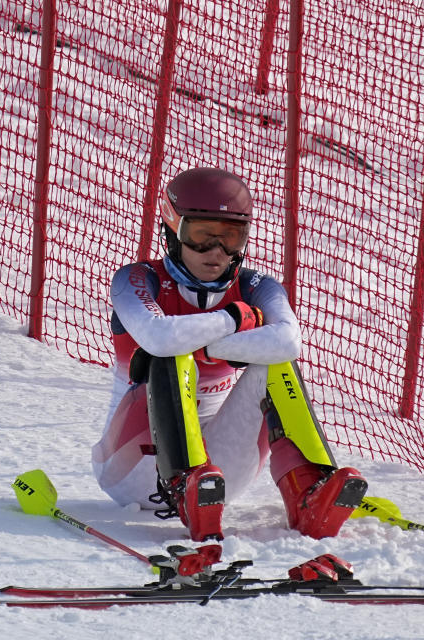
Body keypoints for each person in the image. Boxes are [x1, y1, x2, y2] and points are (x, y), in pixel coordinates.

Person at [92, 167, 367, 543]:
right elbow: (158, 336)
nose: (216, 252)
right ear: (173, 231)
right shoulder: (137, 278)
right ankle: (184, 481)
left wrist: (206, 343)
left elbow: (287, 342)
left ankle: (308, 493)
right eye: (201, 236)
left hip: (217, 479)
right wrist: (233, 319)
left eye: (230, 238)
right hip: (132, 467)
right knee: (169, 356)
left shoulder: (257, 286)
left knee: (274, 365)